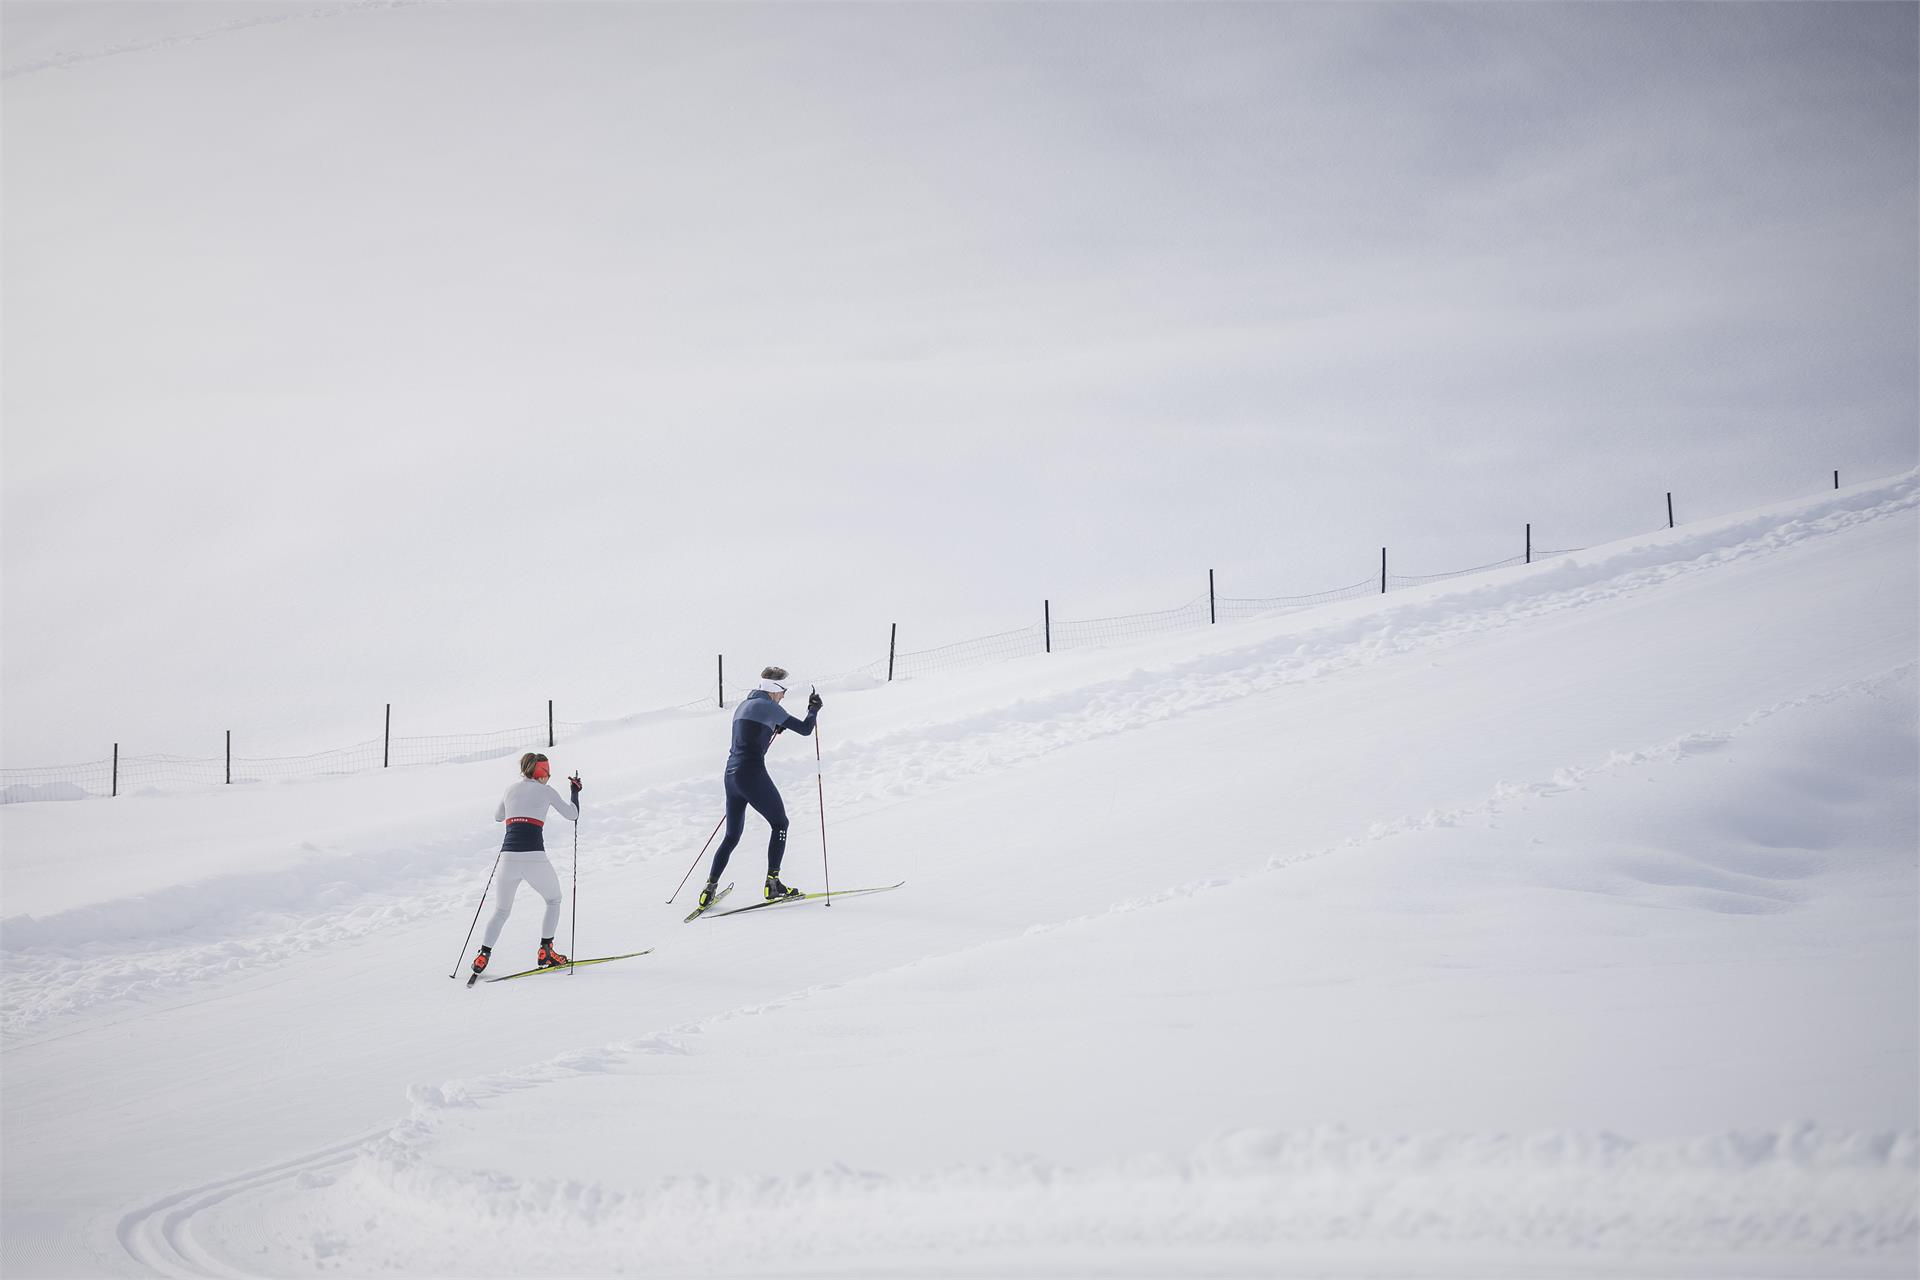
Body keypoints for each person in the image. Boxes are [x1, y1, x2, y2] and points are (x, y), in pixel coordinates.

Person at [697, 666, 823, 908]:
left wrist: (773, 727)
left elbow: (751, 733)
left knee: (732, 836)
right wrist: (813, 710)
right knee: (780, 823)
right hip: (751, 773)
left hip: (731, 775)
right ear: (774, 690)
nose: (784, 695)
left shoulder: (745, 705)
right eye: (783, 690)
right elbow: (807, 730)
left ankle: (708, 890)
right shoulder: (770, 707)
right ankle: (773, 884)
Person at [471, 752, 582, 977]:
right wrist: (575, 792)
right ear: (542, 773)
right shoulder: (546, 791)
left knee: (501, 911)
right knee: (553, 900)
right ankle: (546, 951)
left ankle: (483, 954)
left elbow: (498, 816)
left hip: (508, 860)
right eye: (547, 772)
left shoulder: (510, 789)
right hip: (534, 858)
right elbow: (573, 815)